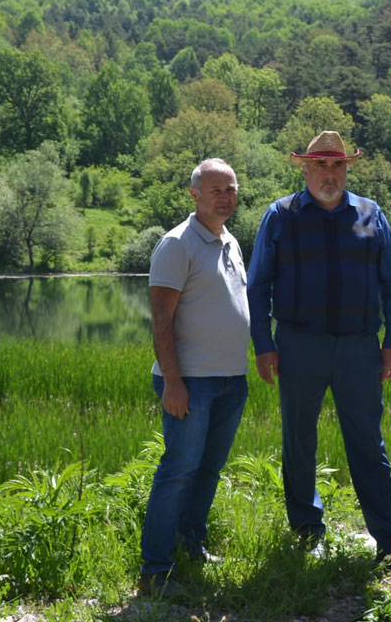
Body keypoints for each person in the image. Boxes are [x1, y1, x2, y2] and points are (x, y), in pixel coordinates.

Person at [247, 130, 391, 580]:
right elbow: (258, 285)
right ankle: (308, 532)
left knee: (368, 443)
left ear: (347, 169)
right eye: (321, 165)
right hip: (298, 344)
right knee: (299, 440)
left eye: (338, 165)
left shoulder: (371, 213)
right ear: (304, 169)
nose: (330, 173)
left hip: (358, 347)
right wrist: (264, 344)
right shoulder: (281, 215)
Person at [139, 158, 251, 599]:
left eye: (231, 189)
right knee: (178, 471)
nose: (225, 197)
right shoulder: (176, 243)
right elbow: (161, 319)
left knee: (208, 468)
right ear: (194, 195)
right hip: (191, 382)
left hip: (231, 380)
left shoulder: (230, 240)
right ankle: (155, 569)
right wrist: (173, 381)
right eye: (216, 190)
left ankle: (191, 544)